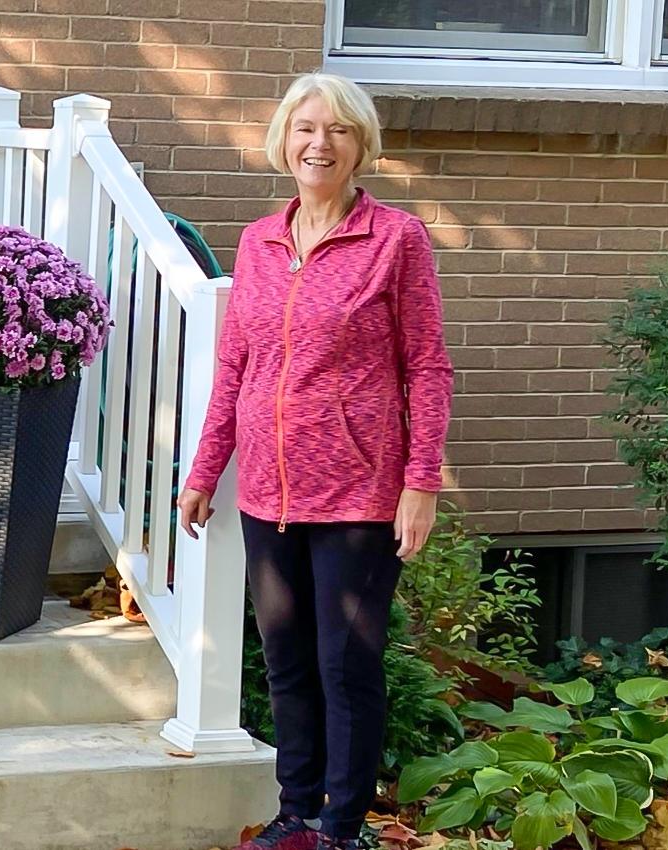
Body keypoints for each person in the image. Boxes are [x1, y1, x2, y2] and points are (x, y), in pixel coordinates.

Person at [177, 72, 454, 850]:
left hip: (361, 495)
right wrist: (204, 472)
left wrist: (420, 482)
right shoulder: (261, 241)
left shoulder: (396, 239)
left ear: (360, 144)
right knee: (287, 660)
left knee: (345, 667)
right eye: (305, 129)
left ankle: (342, 826)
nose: (318, 143)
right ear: (283, 141)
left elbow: (428, 366)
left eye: (336, 130)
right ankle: (295, 812)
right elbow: (235, 366)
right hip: (269, 492)